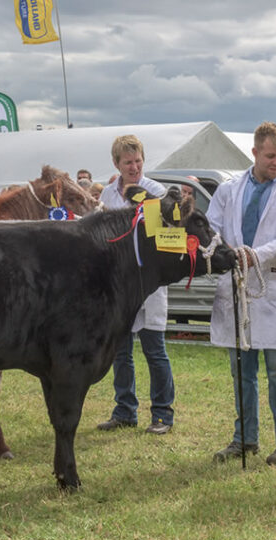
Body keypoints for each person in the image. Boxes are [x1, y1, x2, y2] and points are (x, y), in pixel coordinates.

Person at [208, 122, 276, 465]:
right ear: (254, 153)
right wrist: (222, 251)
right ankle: (244, 438)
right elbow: (213, 227)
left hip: (273, 285)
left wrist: (254, 255)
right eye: (269, 156)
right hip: (237, 286)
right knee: (241, 369)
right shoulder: (229, 189)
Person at [96, 135, 176, 435]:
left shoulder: (155, 192)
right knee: (120, 350)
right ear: (116, 164)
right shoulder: (106, 195)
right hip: (119, 286)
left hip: (148, 283)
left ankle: (162, 414)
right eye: (128, 162)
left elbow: (160, 236)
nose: (134, 167)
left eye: (138, 161)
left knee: (155, 350)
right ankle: (125, 410)